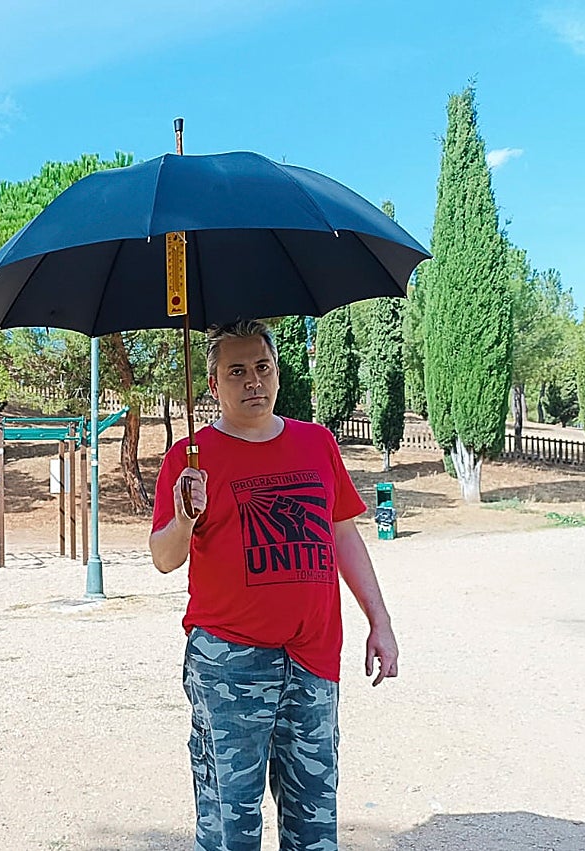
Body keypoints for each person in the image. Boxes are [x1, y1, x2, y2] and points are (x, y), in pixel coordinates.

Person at [149, 320, 399, 851]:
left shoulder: (317, 444)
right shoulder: (189, 458)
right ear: (213, 384)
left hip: (312, 660)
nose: (252, 382)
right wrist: (184, 517)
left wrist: (381, 621)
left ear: (278, 373)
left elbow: (343, 535)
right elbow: (164, 559)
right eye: (236, 371)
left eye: (262, 368)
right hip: (229, 665)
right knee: (229, 824)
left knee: (314, 823)